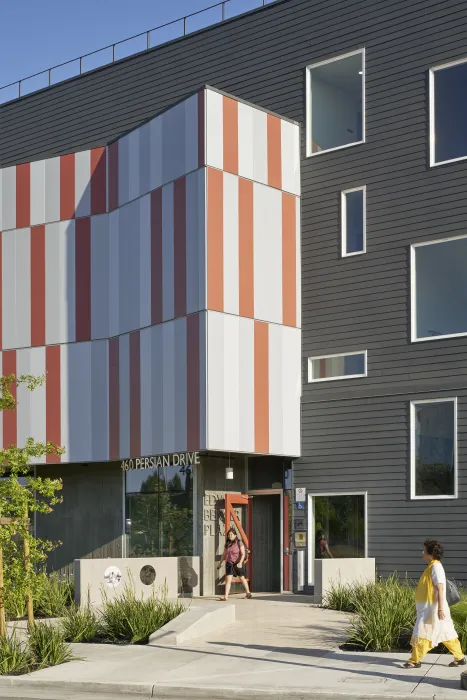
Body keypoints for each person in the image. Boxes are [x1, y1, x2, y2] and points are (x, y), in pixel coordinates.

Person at [404, 539, 465, 668]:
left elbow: (440, 588)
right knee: (447, 632)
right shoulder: (432, 566)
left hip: (433, 608)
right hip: (433, 608)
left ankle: (415, 660)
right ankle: (459, 657)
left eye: (424, 550)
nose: (422, 552)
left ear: (430, 553)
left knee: (421, 632)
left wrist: (440, 609)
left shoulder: (436, 567)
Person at [217, 528, 252, 601]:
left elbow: (243, 554)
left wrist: (240, 562)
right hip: (229, 563)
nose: (230, 536)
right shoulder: (227, 544)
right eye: (229, 535)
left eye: (231, 535)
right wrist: (220, 563)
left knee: (242, 578)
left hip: (237, 563)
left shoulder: (239, 542)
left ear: (235, 535)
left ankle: (248, 593)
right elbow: (224, 554)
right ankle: (226, 596)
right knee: (228, 580)